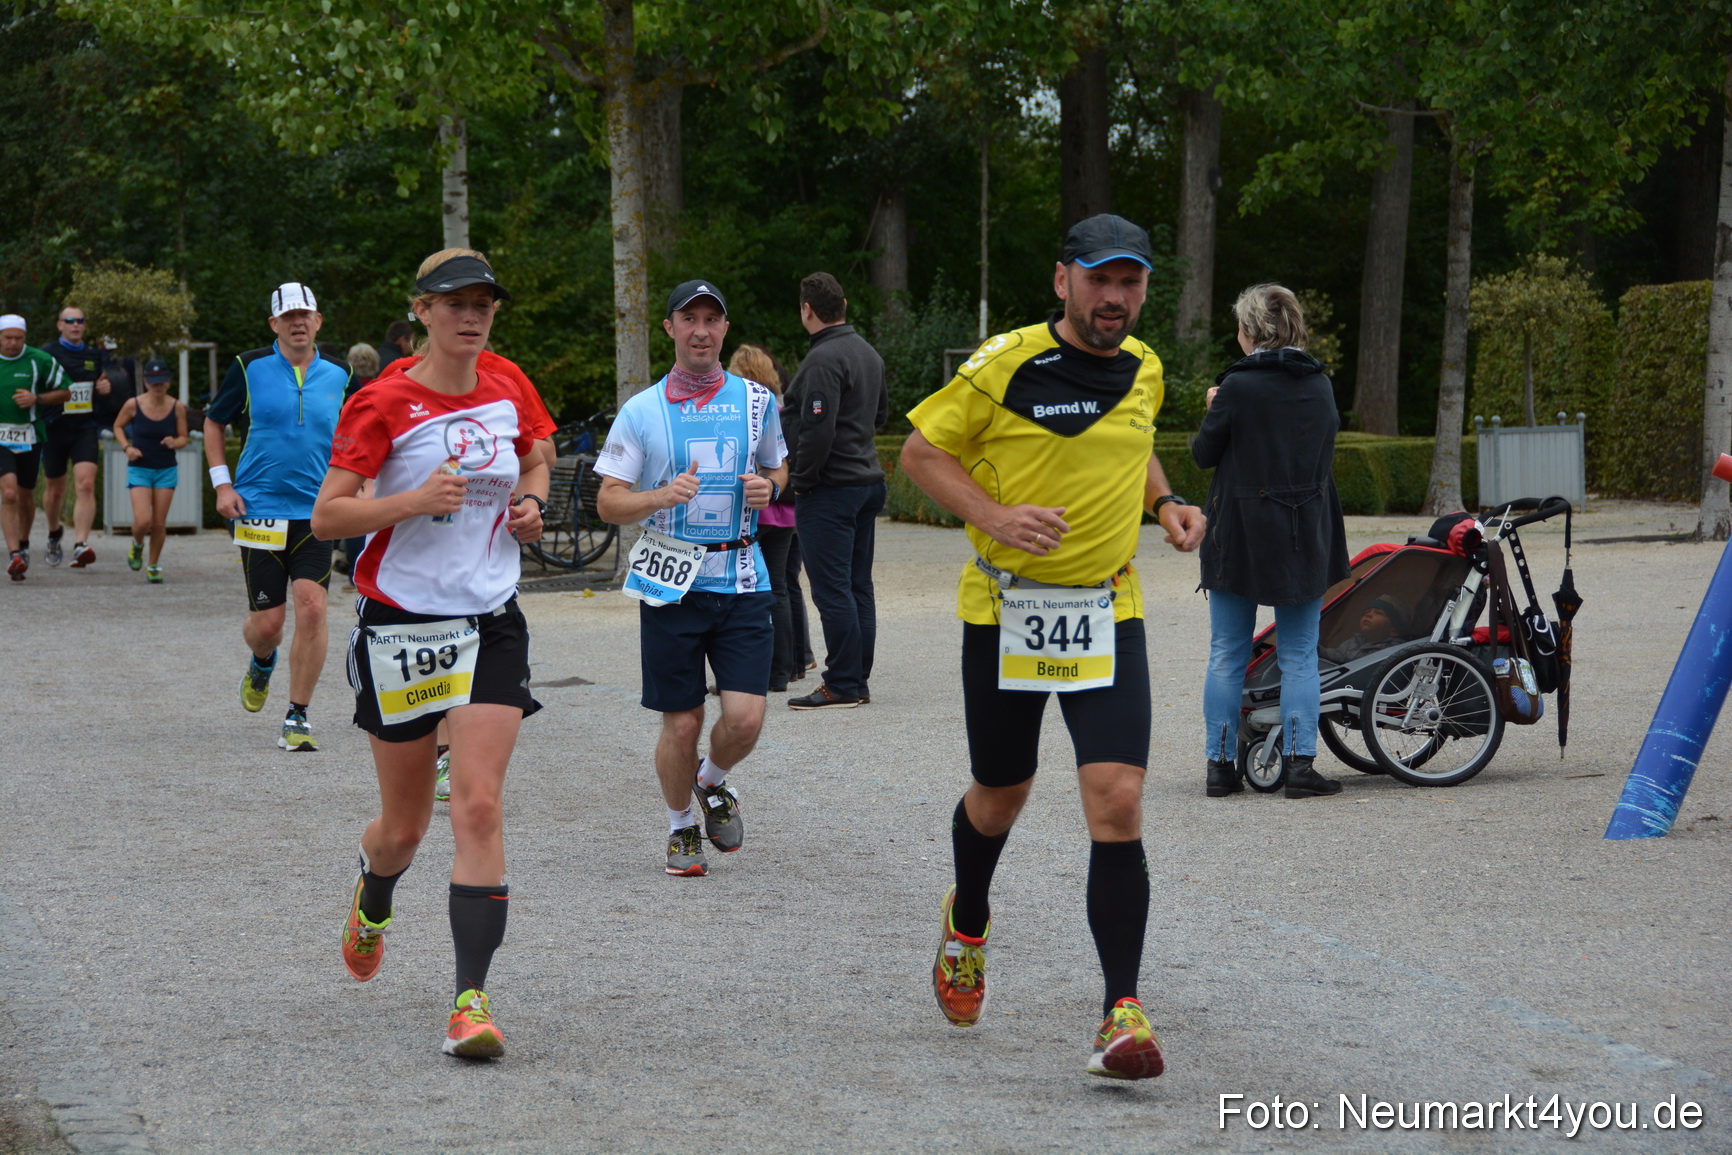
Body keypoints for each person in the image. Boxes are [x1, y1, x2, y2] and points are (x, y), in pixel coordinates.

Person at [899, 213, 1205, 1081]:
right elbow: (922, 454)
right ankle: (968, 921)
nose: (1116, 299)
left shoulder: (1144, 367)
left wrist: (1166, 501)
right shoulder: (1005, 364)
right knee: (1001, 793)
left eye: (1131, 282)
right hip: (1006, 609)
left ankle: (1121, 1009)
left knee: (1117, 797)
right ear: (1064, 279)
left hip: (1109, 607)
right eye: (1101, 280)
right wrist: (993, 517)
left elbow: (1136, 444)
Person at [311, 246, 549, 1060]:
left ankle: (469, 1002)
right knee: (405, 828)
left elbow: (535, 454)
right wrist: (412, 501)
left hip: (488, 619)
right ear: (422, 310)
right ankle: (375, 890)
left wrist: (531, 503)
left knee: (477, 803)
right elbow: (327, 517)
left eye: (483, 302)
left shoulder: (509, 382)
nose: (472, 315)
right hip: (402, 626)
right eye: (455, 302)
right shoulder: (382, 401)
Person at [595, 279, 788, 878]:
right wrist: (658, 496)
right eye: (689, 319)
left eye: (712, 319)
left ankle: (712, 781)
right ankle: (681, 828)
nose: (701, 330)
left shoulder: (758, 401)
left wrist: (772, 487)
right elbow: (607, 502)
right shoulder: (642, 410)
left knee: (746, 718)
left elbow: (781, 468)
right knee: (682, 723)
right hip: (671, 580)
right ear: (670, 330)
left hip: (742, 576)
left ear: (725, 330)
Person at [1193, 284, 1350, 800]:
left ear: (1251, 331)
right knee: (1301, 653)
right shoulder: (1320, 385)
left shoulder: (1238, 386)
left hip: (1239, 532)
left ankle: (1220, 768)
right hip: (1303, 531)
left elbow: (1203, 454)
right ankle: (1300, 767)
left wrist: (1213, 406)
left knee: (1227, 652)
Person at [204, 283, 353, 752]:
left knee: (312, 606)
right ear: (274, 324)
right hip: (259, 509)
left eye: (305, 313)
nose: (298, 322)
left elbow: (358, 432)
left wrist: (360, 483)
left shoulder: (341, 373)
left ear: (319, 320)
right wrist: (221, 484)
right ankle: (261, 661)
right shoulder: (249, 367)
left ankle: (298, 715)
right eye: (288, 315)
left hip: (317, 511)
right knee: (267, 624)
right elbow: (213, 421)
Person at [784, 273, 890, 709]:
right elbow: (880, 416)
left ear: (807, 310)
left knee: (832, 590)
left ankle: (844, 682)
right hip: (867, 480)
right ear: (843, 304)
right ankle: (856, 678)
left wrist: (801, 481)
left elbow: (817, 429)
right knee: (857, 586)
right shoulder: (868, 353)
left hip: (831, 488)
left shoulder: (822, 360)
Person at [727, 342, 808, 693]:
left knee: (771, 587)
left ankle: (777, 671)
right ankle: (793, 663)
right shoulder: (783, 407)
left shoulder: (751, 411)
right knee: (785, 585)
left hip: (767, 511)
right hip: (789, 510)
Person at [37, 306, 130, 568]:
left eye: (80, 321)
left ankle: (81, 544)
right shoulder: (47, 353)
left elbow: (99, 382)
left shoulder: (93, 354)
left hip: (84, 427)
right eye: (70, 321)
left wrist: (104, 386)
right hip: (54, 426)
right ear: (60, 325)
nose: (75, 325)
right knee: (54, 490)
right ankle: (54, 532)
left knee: (86, 484)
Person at [0, 314, 66, 580]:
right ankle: (14, 553)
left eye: (19, 338)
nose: (13, 343)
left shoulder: (40, 360)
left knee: (27, 498)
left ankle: (24, 544)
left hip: (29, 436)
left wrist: (37, 398)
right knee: (9, 493)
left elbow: (66, 392)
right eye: (8, 337)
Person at [111, 358, 188, 583]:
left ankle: (153, 565)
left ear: (168, 383)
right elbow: (117, 426)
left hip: (166, 468)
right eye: (154, 383)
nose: (158, 387)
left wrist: (175, 442)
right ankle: (137, 545)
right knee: (143, 520)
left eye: (162, 382)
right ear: (145, 382)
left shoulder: (177, 406)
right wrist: (127, 447)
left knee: (158, 523)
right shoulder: (133, 404)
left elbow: (184, 436)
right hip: (140, 468)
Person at [1318, 596, 1408, 665]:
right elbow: (1338, 655)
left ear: (1393, 630)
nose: (1369, 615)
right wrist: (1319, 650)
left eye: (1378, 613)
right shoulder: (1354, 641)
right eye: (1367, 612)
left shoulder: (1393, 649)